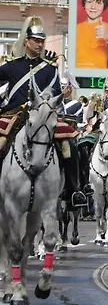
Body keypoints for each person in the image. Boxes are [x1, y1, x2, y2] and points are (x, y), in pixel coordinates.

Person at [0, 16, 87, 212]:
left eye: (42, 41)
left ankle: (74, 191)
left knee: (70, 144)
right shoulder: (12, 66)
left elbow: (56, 93)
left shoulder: (49, 69)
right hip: (15, 115)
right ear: (26, 42)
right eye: (36, 40)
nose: (39, 44)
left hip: (43, 117)